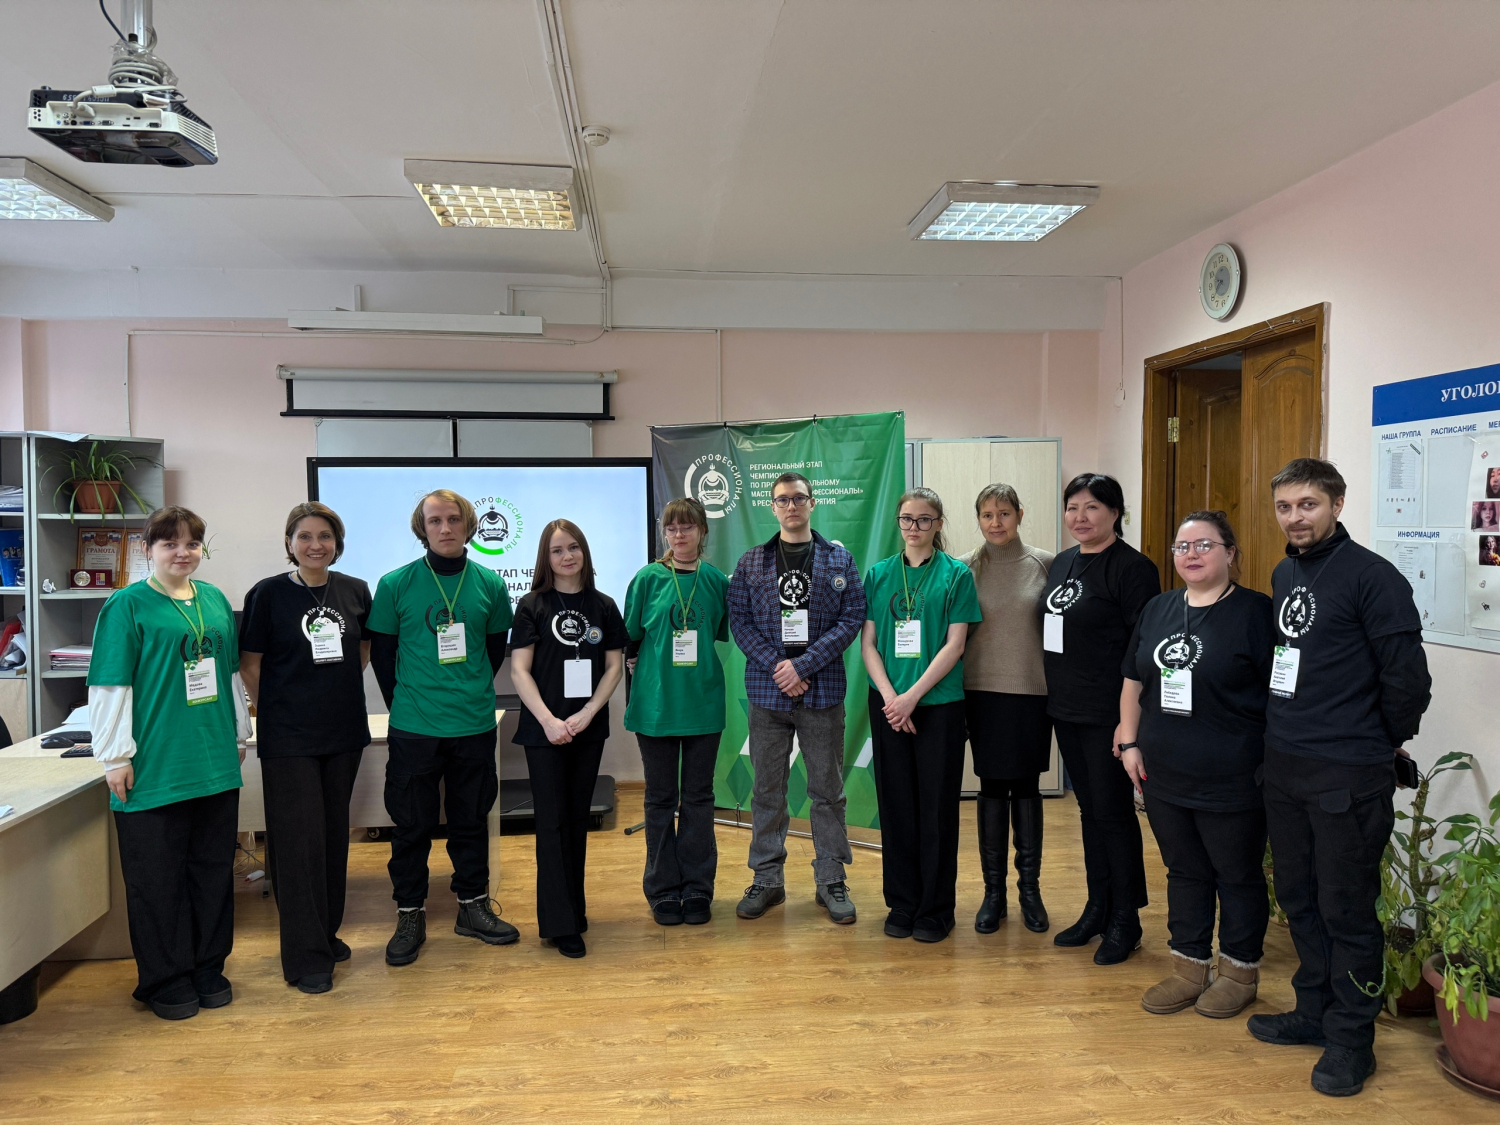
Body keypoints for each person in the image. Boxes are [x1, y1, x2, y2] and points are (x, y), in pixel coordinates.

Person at [1248, 458, 1431, 1097]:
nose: (1295, 518)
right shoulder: (1286, 572)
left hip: (1347, 775)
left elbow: (1407, 679)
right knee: (1298, 898)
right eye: (1285, 507)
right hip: (1285, 767)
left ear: (1337, 503)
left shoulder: (1373, 578)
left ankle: (1353, 1039)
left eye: (1308, 504)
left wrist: (1377, 744)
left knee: (1346, 909)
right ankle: (1314, 1012)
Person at [88, 506, 252, 1020]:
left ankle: (208, 968)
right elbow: (110, 683)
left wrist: (240, 733)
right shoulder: (126, 605)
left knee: (212, 873)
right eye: (169, 544)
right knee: (157, 880)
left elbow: (228, 674)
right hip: (155, 766)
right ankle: (166, 977)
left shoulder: (215, 599)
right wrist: (114, 755)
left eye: (192, 544)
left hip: (214, 761)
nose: (182, 553)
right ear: (147, 550)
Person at [1117, 511, 1274, 1018]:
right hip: (1163, 770)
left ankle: (1239, 972)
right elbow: (1133, 678)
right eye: (1182, 547)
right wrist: (1129, 741)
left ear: (1231, 552)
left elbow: (1281, 693)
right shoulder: (1159, 608)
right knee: (1183, 870)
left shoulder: (1256, 613)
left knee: (1237, 874)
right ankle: (1189, 966)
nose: (1192, 555)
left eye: (1205, 545)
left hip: (1234, 774)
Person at [366, 489, 517, 966]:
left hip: (473, 723)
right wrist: (407, 705)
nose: (445, 528)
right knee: (412, 826)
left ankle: (472, 907)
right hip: (414, 727)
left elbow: (493, 651)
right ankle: (410, 913)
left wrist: (466, 690)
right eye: (435, 521)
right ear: (422, 528)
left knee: (471, 820)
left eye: (453, 519)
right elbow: (383, 657)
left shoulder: (490, 584)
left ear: (469, 525)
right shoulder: (395, 584)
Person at [240, 502, 371, 995]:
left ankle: (325, 934)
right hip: (289, 737)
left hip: (343, 732)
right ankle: (305, 956)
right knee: (297, 844)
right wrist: (281, 707)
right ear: (289, 543)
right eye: (305, 537)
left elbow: (362, 651)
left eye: (325, 536)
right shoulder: (268, 594)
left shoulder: (355, 590)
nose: (316, 545)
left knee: (334, 837)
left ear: (337, 543)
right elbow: (250, 664)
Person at [726, 472, 867, 925]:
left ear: (812, 503)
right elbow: (739, 622)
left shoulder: (839, 559)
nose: (791, 506)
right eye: (783, 499)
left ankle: (831, 879)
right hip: (768, 694)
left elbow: (852, 617)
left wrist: (802, 666)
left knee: (827, 791)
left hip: (822, 692)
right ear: (772, 507)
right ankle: (767, 879)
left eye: (799, 498)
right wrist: (780, 667)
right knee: (767, 790)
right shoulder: (751, 562)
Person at [1041, 472, 1160, 965]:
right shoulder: (1063, 562)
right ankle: (1098, 907)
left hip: (1108, 714)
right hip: (1066, 708)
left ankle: (1126, 919)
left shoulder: (1133, 568)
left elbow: (1143, 648)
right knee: (1089, 812)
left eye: (1092, 507)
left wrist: (1127, 723)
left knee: (1112, 814)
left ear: (1115, 513)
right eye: (1072, 507)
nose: (1080, 517)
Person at [861, 487, 982, 944]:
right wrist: (892, 698)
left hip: (938, 705)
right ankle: (902, 902)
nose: (915, 527)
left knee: (936, 809)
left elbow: (956, 644)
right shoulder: (879, 574)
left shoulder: (956, 575)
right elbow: (868, 644)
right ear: (899, 522)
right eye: (907, 519)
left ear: (939, 524)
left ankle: (935, 909)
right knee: (896, 807)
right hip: (889, 705)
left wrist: (911, 697)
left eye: (925, 519)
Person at [509, 519, 626, 959]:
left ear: (584, 552)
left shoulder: (604, 605)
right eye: (557, 550)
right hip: (545, 731)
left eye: (573, 547)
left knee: (577, 821)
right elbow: (519, 670)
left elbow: (613, 667)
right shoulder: (531, 605)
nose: (567, 556)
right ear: (546, 557)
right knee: (552, 823)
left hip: (586, 728)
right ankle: (559, 925)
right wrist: (549, 721)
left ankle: (574, 909)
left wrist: (587, 713)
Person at [623, 498, 729, 926]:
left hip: (703, 704)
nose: (679, 535)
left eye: (687, 527)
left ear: (703, 531)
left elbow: (718, 631)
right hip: (657, 706)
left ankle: (698, 888)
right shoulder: (648, 579)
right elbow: (630, 635)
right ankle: (663, 889)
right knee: (660, 799)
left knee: (699, 799)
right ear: (664, 533)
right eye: (672, 528)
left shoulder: (716, 580)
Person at [962, 483, 1054, 934]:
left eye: (1004, 513)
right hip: (981, 692)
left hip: (1032, 694)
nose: (995, 522)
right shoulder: (963, 568)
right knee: (993, 788)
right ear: (978, 519)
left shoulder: (1047, 564)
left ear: (1020, 514)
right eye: (987, 514)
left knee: (1028, 788)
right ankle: (993, 894)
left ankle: (1030, 892)